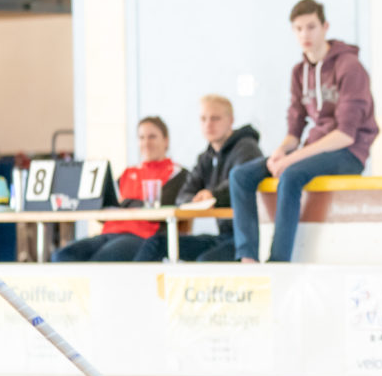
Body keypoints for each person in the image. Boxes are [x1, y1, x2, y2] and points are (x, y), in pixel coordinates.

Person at [230, 0, 377, 263]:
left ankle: (278, 262)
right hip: (312, 148)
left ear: (325, 27)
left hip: (348, 152)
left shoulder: (349, 67)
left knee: (291, 175)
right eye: (298, 29)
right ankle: (247, 258)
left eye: (311, 27)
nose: (305, 34)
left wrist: (292, 159)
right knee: (240, 176)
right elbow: (295, 130)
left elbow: (345, 134)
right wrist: (280, 151)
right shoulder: (299, 72)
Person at [133, 95, 260, 262]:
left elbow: (239, 184)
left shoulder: (247, 148)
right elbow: (183, 195)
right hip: (222, 237)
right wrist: (197, 198)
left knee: (204, 262)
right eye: (203, 119)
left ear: (231, 120)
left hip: (245, 240)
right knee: (155, 244)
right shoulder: (205, 158)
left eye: (215, 118)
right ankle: (141, 288)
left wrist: (212, 196)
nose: (208, 124)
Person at [51, 116, 187, 262]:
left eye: (152, 137)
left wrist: (124, 203)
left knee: (101, 260)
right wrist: (132, 204)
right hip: (109, 232)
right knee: (61, 256)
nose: (146, 142)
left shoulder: (177, 173)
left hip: (143, 236)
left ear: (166, 141)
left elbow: (158, 207)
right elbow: (101, 205)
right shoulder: (128, 173)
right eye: (141, 137)